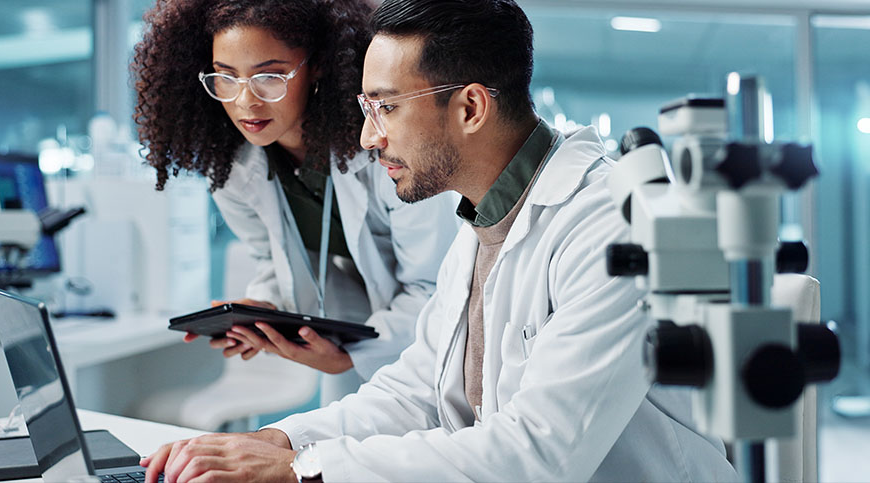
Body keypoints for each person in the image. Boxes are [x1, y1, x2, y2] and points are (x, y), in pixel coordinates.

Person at [138, 0, 741, 481]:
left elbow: (538, 456)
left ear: (472, 107)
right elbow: (416, 389)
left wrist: (300, 470)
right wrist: (277, 441)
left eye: (386, 108)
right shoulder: (480, 220)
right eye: (364, 107)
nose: (368, 138)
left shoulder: (611, 225)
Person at [132, 0, 458, 402]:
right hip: (357, 352)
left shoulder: (387, 151)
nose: (245, 102)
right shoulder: (235, 170)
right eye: (226, 77)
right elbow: (274, 257)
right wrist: (264, 309)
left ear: (318, 64)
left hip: (439, 356)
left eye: (269, 76)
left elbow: (434, 287)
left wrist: (352, 355)